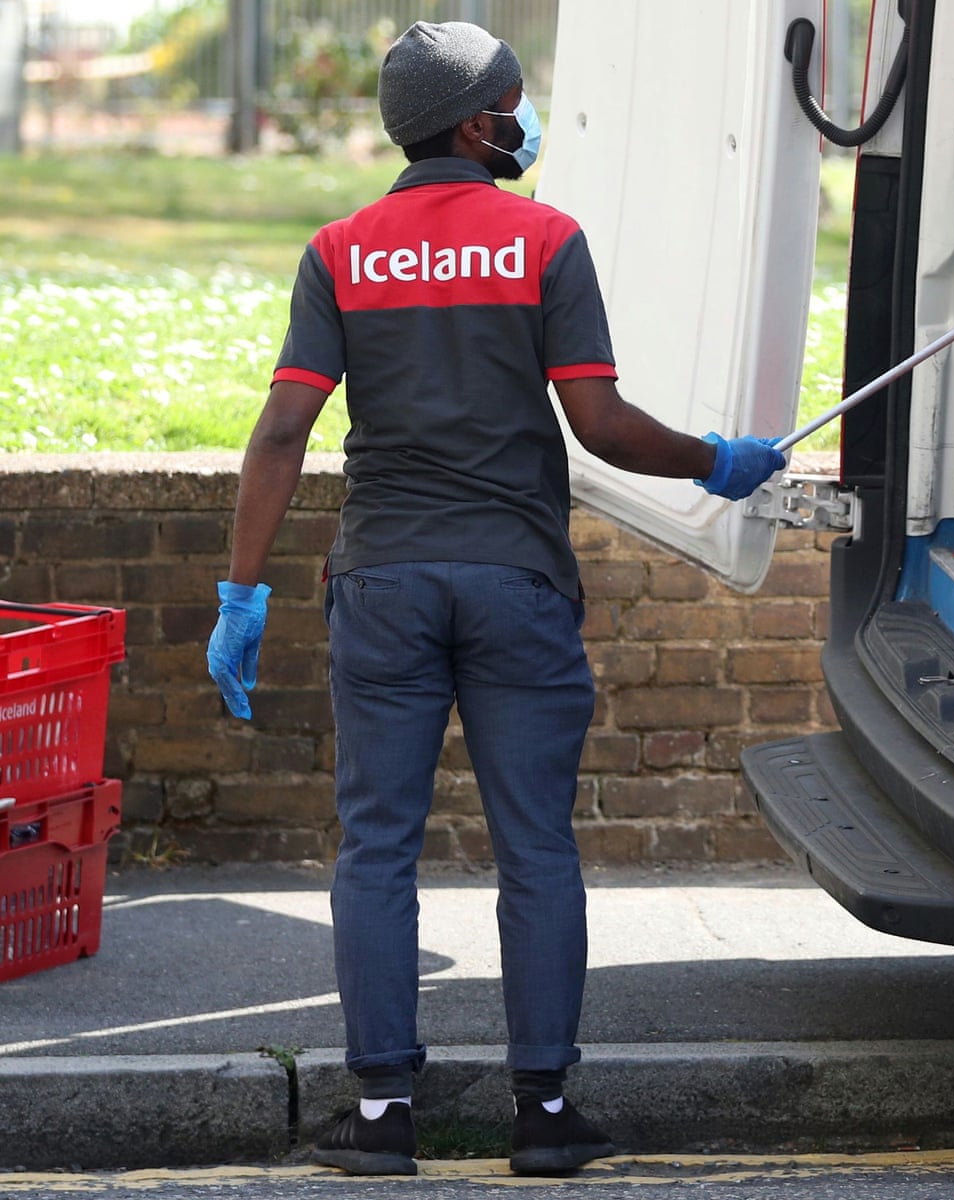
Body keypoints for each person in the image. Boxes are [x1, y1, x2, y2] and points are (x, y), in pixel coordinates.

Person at [206, 19, 786, 1178]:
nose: (524, 123)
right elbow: (602, 422)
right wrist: (715, 460)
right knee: (536, 849)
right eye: (515, 104)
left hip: (382, 583)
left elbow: (283, 428)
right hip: (516, 581)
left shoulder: (341, 250)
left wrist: (240, 592)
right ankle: (545, 1114)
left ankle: (380, 1119)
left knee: (376, 847)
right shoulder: (543, 241)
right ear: (479, 124)